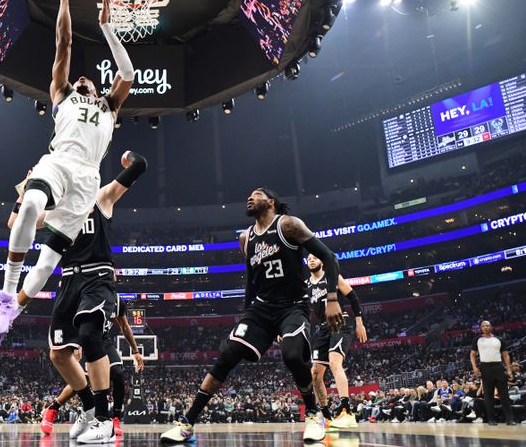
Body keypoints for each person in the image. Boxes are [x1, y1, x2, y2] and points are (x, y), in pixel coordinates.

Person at [0, 0, 134, 353]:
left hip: (87, 179)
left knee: (49, 262)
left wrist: (107, 28)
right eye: (78, 79)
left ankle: (12, 313)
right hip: (59, 160)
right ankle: (5, 295)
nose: (82, 79)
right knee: (31, 203)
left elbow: (128, 74)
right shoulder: (62, 93)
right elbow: (63, 41)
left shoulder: (110, 106)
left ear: (97, 89)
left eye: (89, 81)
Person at [0, 149, 147, 443]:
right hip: (68, 279)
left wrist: (128, 157)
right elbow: (15, 224)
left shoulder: (101, 198)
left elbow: (140, 166)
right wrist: (27, 188)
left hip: (97, 276)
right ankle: (87, 407)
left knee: (89, 335)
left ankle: (103, 418)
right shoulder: (57, 210)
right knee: (58, 354)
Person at [161, 188, 343, 444]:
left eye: (256, 194)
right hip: (261, 309)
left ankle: (313, 414)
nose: (249, 197)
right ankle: (187, 423)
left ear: (271, 201)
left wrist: (333, 298)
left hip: (292, 306)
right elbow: (252, 281)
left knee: (291, 355)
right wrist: (247, 315)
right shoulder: (246, 238)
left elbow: (330, 257)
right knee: (226, 357)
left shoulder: (288, 225)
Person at [41, 295, 146, 437]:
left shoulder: (117, 300)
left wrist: (135, 351)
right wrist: (76, 343)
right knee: (82, 380)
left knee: (118, 374)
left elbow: (125, 326)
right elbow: (74, 319)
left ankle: (114, 419)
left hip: (104, 341)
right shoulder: (88, 293)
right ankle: (53, 408)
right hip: (84, 340)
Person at [306, 253, 367, 429]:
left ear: (322, 261)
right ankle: (326, 416)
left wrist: (359, 323)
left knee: (334, 363)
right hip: (323, 328)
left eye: (315, 257)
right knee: (315, 374)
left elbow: (353, 297)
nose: (311, 259)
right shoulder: (306, 285)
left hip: (340, 322)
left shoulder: (332, 276)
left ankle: (346, 411)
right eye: (308, 258)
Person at [470, 320, 515, 426]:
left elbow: (505, 355)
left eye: (487, 325)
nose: (485, 327)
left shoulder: (499, 339)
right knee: (488, 396)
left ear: (491, 327)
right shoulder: (477, 339)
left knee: (504, 394)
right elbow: (472, 355)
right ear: (481, 328)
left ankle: (510, 419)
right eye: (483, 326)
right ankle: (491, 419)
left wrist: (508, 369)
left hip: (498, 367)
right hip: (485, 368)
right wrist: (474, 367)